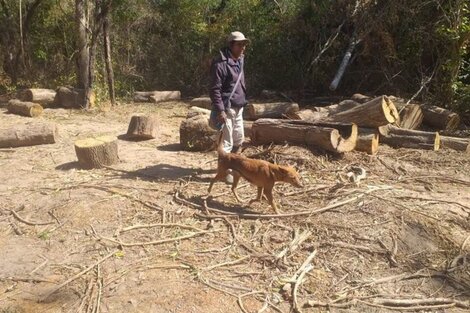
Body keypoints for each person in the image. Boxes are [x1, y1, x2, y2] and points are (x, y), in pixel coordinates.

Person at [209, 31, 249, 183]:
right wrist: (220, 110)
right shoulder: (220, 64)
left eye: (244, 44)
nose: (242, 47)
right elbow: (215, 90)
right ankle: (224, 172)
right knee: (226, 143)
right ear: (231, 45)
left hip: (239, 107)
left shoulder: (240, 59)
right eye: (239, 44)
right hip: (227, 108)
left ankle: (235, 167)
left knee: (239, 139)